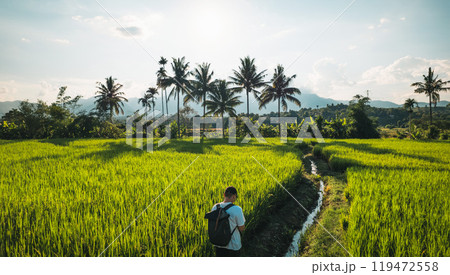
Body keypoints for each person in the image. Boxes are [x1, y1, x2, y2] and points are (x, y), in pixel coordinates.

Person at [211, 186, 245, 257]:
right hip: (233, 245)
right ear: (234, 196)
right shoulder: (237, 209)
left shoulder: (215, 207)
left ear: (224, 195)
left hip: (219, 244)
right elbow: (241, 228)